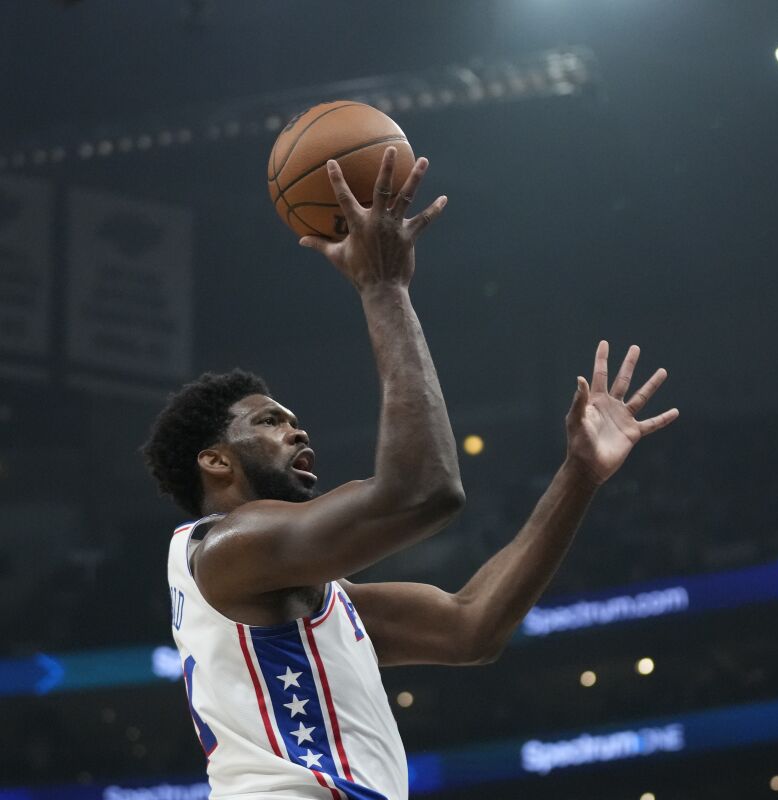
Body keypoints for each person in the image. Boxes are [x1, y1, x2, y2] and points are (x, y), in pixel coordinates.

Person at [141, 148, 679, 800]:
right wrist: (383, 288)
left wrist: (579, 475)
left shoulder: (294, 594)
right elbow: (419, 495)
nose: (297, 430)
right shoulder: (230, 545)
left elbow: (471, 626)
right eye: (270, 422)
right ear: (215, 460)